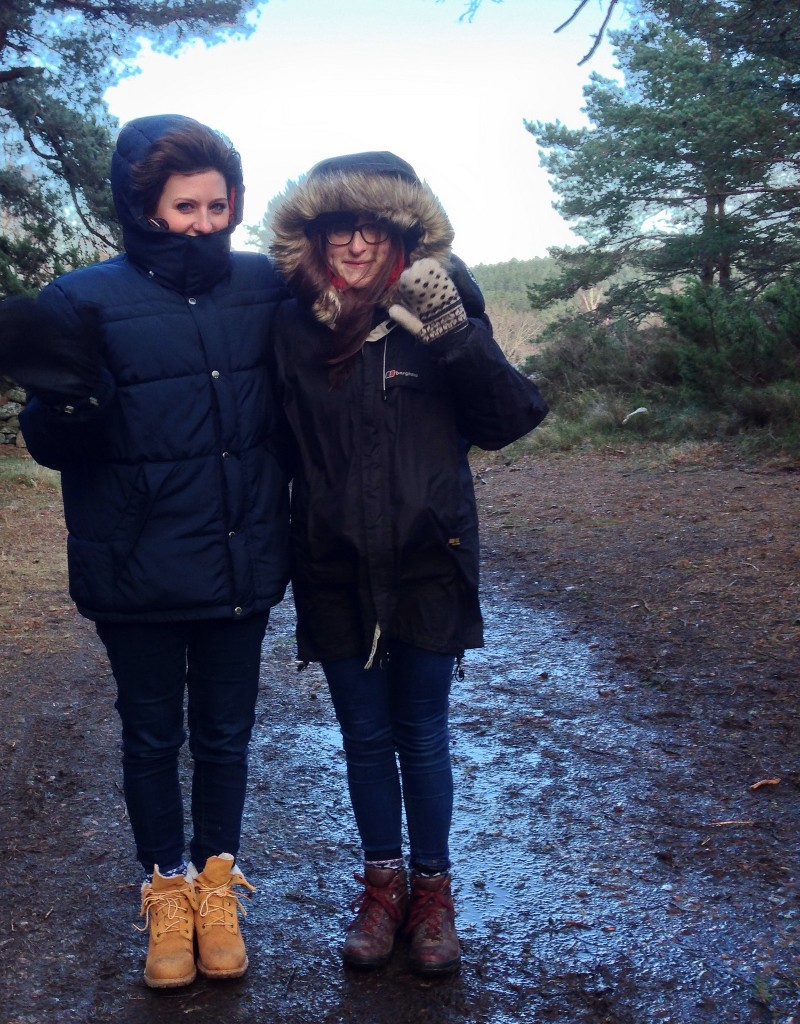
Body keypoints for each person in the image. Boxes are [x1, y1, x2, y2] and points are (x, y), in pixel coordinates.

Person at [0, 114, 290, 990]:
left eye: (217, 203)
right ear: (142, 207)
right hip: (135, 564)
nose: (203, 221)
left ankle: (218, 889)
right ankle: (166, 893)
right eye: (183, 205)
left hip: (240, 559)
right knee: (153, 737)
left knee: (226, 735)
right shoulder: (81, 298)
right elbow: (52, 445)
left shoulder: (264, 286)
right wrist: (66, 402)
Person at [268, 152, 548, 977]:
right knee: (363, 735)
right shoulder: (293, 324)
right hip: (332, 565)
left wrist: (458, 337)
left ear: (403, 229)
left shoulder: (443, 300)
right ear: (313, 236)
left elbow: (509, 418)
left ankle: (433, 894)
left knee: (422, 734)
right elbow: (273, 446)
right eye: (336, 227)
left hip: (429, 560)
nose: (354, 243)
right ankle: (382, 888)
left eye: (373, 225)